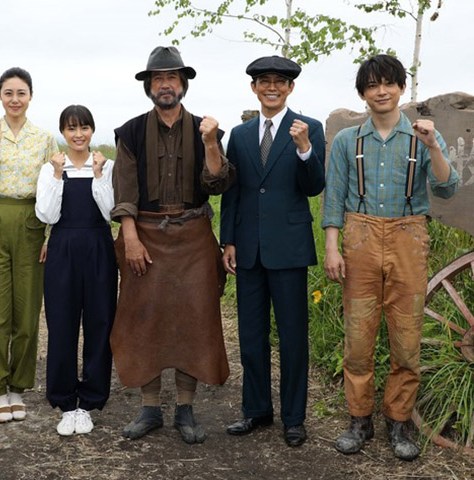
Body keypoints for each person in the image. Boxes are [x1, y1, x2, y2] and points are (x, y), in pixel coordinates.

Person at [323, 54, 458, 460]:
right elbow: (334, 199)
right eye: (372, 85)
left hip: (407, 236)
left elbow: (447, 187)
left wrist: (433, 144)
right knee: (359, 337)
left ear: (401, 88)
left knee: (406, 337)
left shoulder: (423, 136)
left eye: (389, 83)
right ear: (363, 93)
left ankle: (399, 423)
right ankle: (358, 420)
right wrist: (332, 246)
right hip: (359, 236)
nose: (381, 91)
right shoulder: (349, 141)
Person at [110, 46, 235, 444]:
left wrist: (212, 143)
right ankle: (149, 409)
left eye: (172, 78)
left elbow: (217, 183)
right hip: (144, 235)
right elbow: (124, 190)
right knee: (143, 321)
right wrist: (130, 239)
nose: (165, 85)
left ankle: (185, 409)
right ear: (149, 86)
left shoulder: (204, 129)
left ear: (182, 85)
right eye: (158, 78)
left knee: (193, 321)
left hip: (193, 235)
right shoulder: (129, 132)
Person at [219, 55, 325, 447]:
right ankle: (257, 410)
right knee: (251, 335)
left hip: (290, 248)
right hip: (247, 248)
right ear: (254, 88)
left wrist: (303, 150)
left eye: (280, 82)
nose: (272, 87)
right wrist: (227, 240)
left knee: (293, 337)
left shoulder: (308, 129)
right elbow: (233, 191)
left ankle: (293, 418)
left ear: (290, 88)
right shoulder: (240, 134)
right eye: (264, 81)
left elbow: (314, 186)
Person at [0, 67, 58, 423]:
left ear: (31, 96)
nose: (15, 99)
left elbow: (53, 188)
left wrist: (50, 234)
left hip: (31, 222)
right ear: (0, 96)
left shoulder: (44, 138)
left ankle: (19, 387)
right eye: (8, 93)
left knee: (26, 310)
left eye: (21, 92)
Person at [35, 105, 117, 436]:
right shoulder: (51, 168)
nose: (78, 134)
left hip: (99, 247)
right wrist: (56, 175)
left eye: (84, 127)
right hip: (62, 248)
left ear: (92, 131)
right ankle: (66, 402)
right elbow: (46, 214)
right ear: (63, 132)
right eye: (71, 128)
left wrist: (98, 175)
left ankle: (91, 401)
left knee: (100, 323)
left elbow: (111, 211)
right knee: (62, 323)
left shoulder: (106, 166)